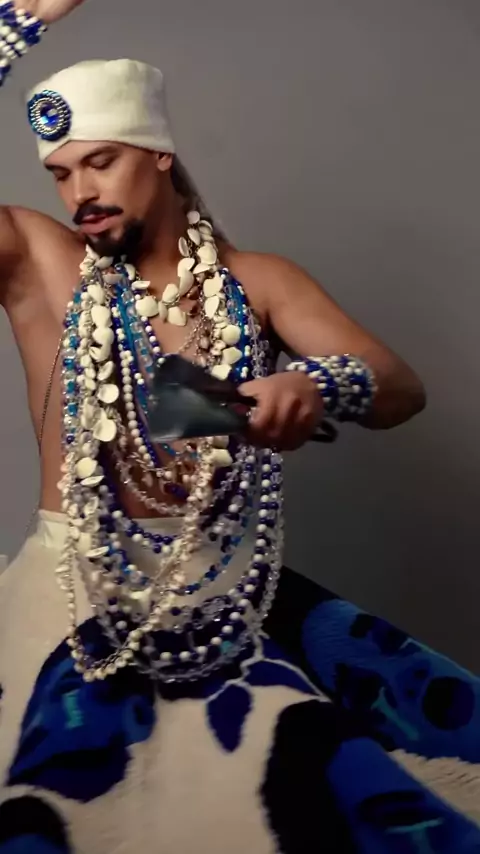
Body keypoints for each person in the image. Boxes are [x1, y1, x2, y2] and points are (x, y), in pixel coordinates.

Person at [1, 1, 479, 852]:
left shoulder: (256, 283)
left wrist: (315, 383)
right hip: (70, 596)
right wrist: (9, 28)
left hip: (220, 596)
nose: (80, 194)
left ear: (158, 154)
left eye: (101, 162)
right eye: (62, 173)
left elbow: (398, 387)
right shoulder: (44, 263)